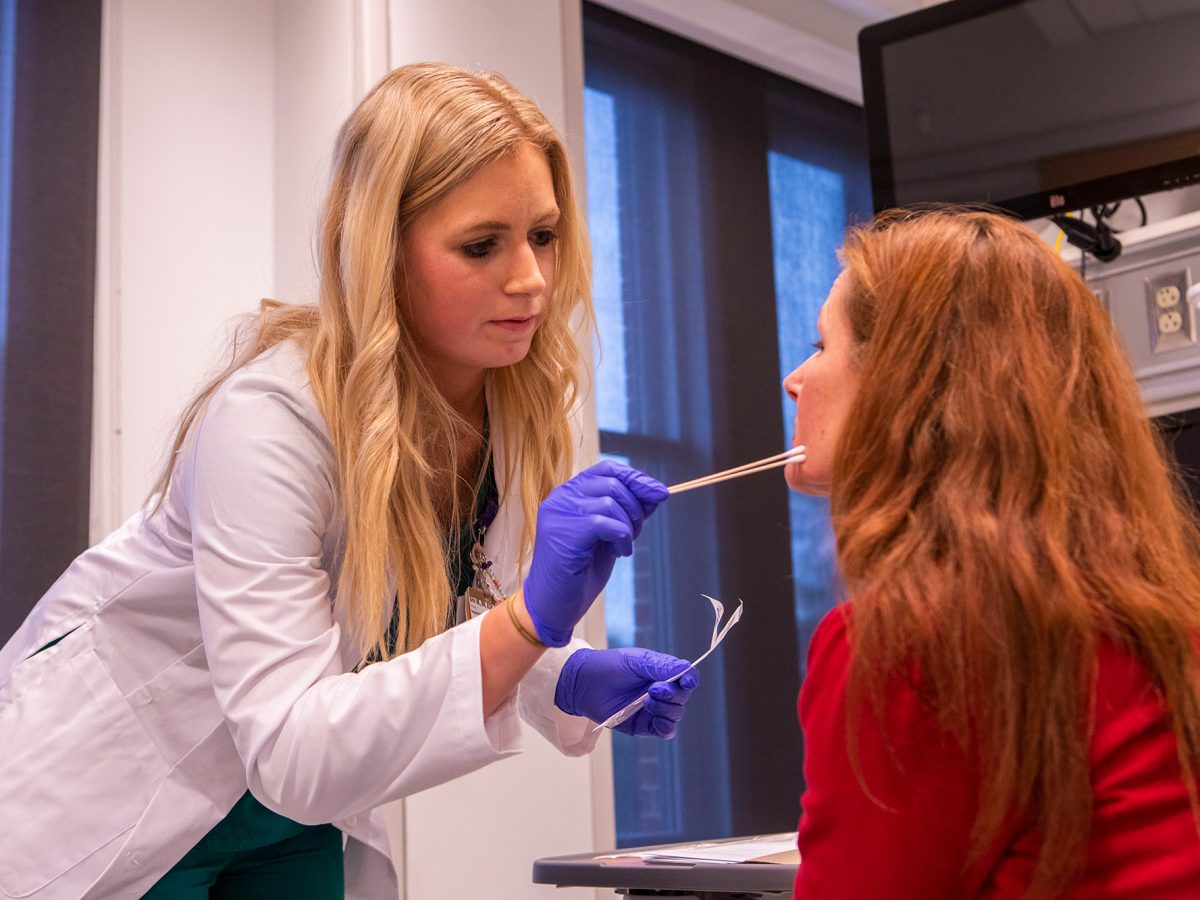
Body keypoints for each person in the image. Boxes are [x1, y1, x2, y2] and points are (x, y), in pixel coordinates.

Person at [0, 62, 699, 899]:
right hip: (118, 799)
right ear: (383, 251)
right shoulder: (272, 420)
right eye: (483, 245)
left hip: (292, 816)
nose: (531, 280)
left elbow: (457, 605)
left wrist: (566, 673)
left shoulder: (506, 402)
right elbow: (293, 745)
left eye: (543, 236)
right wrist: (529, 622)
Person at [782, 206, 1200, 898]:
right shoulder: (1164, 616)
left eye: (821, 345)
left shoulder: (903, 645)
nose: (797, 378)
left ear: (904, 384)